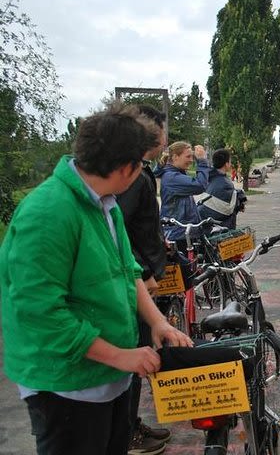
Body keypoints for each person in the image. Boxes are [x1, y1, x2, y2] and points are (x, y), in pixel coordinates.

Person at [0, 103, 193, 455]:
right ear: (126, 168)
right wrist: (120, 356)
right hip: (67, 389)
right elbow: (41, 314)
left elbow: (126, 270)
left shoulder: (105, 203)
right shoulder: (48, 214)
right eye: (142, 165)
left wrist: (157, 322)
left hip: (109, 379)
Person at [115, 105, 172, 454]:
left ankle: (129, 425)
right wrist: (145, 271)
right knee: (135, 355)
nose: (165, 138)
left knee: (139, 350)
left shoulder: (139, 173)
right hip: (136, 280)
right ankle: (127, 431)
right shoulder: (131, 176)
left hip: (139, 276)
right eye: (164, 130)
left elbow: (134, 225)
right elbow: (117, 231)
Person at [155, 141, 211, 252]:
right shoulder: (172, 177)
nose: (191, 160)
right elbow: (200, 185)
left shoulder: (177, 173)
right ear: (175, 157)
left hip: (185, 233)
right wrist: (202, 161)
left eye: (192, 157)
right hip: (178, 235)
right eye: (188, 156)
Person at [197, 148, 247, 230]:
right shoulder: (225, 183)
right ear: (226, 164)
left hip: (201, 218)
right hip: (212, 225)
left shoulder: (210, 176)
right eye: (230, 162)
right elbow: (228, 208)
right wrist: (240, 202)